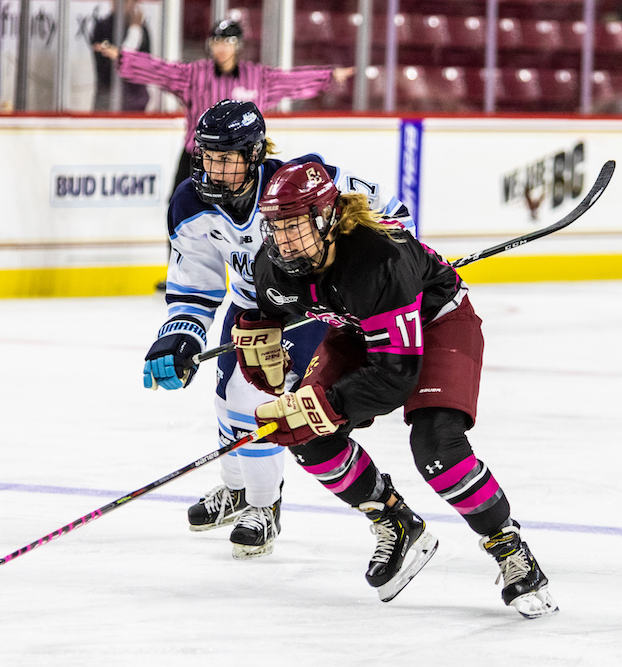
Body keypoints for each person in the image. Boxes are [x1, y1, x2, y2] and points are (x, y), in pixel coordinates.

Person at [230, 161, 558, 617]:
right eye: (276, 227)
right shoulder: (275, 265)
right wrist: (256, 333)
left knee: (435, 444)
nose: (284, 240)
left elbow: (394, 376)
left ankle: (510, 550)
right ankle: (395, 522)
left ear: (326, 218)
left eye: (295, 226)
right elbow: (266, 310)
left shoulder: (379, 258)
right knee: (308, 436)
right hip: (358, 330)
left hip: (439, 321)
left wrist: (327, 403)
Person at [142, 100, 411, 561]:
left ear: (254, 154)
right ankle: (235, 490)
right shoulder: (189, 201)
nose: (214, 169)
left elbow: (392, 216)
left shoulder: (299, 182)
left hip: (308, 305)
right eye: (208, 157)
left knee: (262, 401)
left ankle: (264, 507)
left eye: (226, 158)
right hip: (252, 307)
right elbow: (196, 283)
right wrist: (181, 336)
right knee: (227, 398)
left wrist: (393, 270)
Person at [96, 19, 354, 198]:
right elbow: (161, 71)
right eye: (216, 41)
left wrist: (329, 77)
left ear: (238, 45)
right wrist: (122, 56)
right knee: (180, 209)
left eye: (227, 41)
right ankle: (178, 269)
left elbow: (291, 81)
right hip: (196, 159)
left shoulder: (258, 78)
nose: (221, 47)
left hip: (240, 161)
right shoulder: (194, 75)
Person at [90, 0, 151, 112]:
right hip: (108, 97)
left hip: (135, 100)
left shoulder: (142, 30)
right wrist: (134, 32)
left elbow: (146, 67)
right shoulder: (102, 27)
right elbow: (112, 64)